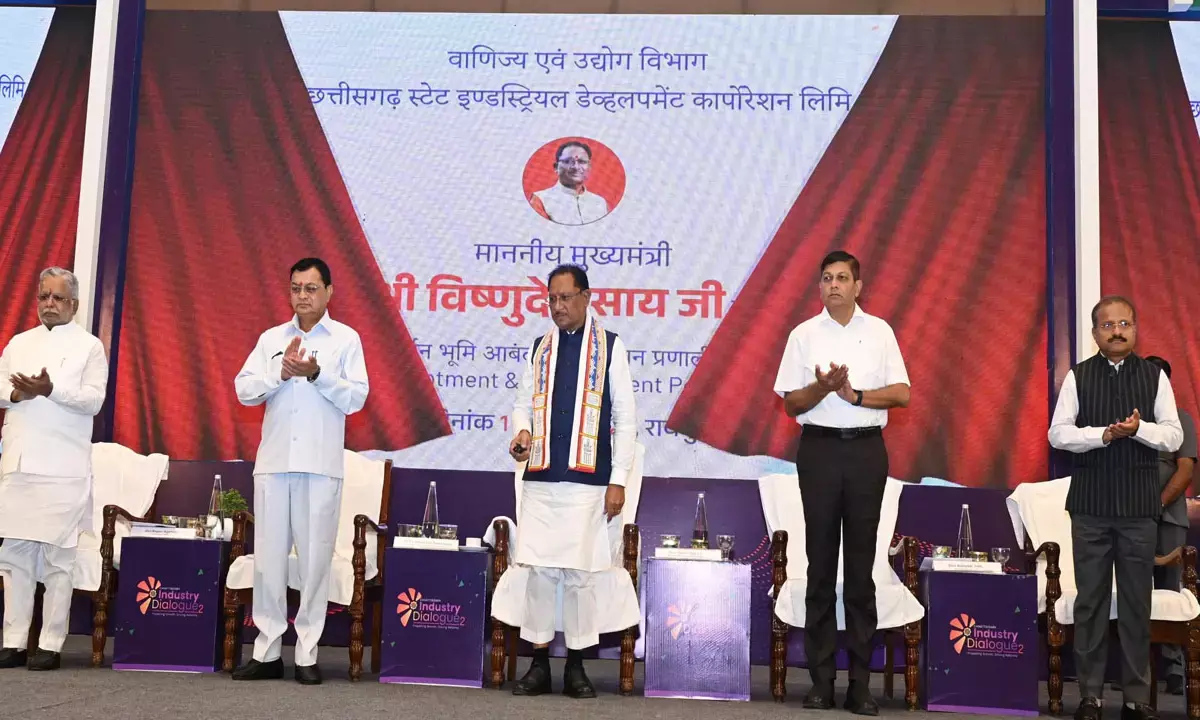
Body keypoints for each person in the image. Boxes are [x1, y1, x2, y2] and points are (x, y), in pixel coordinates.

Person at [772, 250, 910, 716]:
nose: (834, 284)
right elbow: (791, 404)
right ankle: (821, 681)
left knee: (860, 571)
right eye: (827, 278)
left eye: (843, 278)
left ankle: (860, 685)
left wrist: (855, 395)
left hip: (867, 451)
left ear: (858, 286)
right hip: (819, 452)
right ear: (819, 287)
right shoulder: (803, 335)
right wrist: (824, 388)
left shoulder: (880, 332)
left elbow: (903, 393)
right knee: (820, 567)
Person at [495, 263, 639, 698]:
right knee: (539, 573)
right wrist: (522, 433)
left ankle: (576, 666)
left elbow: (625, 418)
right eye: (551, 299)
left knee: (580, 576)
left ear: (586, 297)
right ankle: (539, 665)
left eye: (565, 298)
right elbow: (522, 404)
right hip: (541, 478)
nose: (557, 307)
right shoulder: (540, 347)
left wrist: (618, 480)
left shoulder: (611, 346)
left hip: (589, 482)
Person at [231, 257, 368, 685]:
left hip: (320, 466)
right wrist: (280, 372)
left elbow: (357, 398)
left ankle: (307, 653)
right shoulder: (271, 338)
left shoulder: (346, 339)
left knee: (314, 563)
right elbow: (244, 389)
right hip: (274, 464)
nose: (302, 296)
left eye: (311, 288)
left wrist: (317, 374)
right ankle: (267, 651)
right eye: (296, 288)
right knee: (268, 562)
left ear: (329, 292)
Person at [1048, 296, 1182, 720]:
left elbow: (1174, 436)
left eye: (1125, 323)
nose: (1117, 331)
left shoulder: (1155, 377)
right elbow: (1057, 434)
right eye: (1108, 325)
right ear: (1095, 334)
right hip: (1090, 508)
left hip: (1139, 509)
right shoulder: (1079, 375)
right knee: (1090, 603)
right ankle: (1090, 696)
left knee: (1135, 605)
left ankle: (1136, 699)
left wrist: (1139, 429)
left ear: (1136, 329)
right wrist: (1101, 436)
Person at [0, 267, 108, 671]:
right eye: (44, 296)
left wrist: (50, 390)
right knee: (15, 556)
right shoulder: (19, 342)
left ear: (74, 305)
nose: (49, 304)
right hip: (20, 463)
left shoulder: (89, 347)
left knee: (58, 560)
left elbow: (93, 400)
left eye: (58, 298)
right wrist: (17, 393)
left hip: (63, 466)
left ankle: (50, 643)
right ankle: (13, 641)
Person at [1145, 355, 1196, 695]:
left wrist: (1158, 503)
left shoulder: (1181, 419)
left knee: (1170, 590)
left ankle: (1175, 668)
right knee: (1132, 590)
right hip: (1130, 520)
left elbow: (1185, 469)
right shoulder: (1130, 422)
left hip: (1169, 518)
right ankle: (1135, 668)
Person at [530, 141, 610, 226]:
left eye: (582, 161)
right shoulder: (541, 200)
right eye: (568, 161)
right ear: (556, 167)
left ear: (589, 167)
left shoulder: (600, 203)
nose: (576, 167)